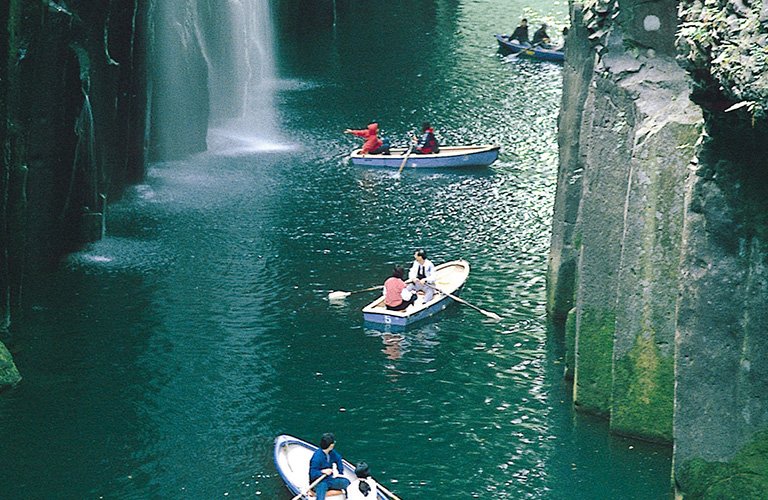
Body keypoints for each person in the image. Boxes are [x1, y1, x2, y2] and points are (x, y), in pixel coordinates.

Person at [309, 433, 351, 500]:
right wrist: (322, 471)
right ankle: (314, 493)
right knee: (321, 492)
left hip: (330, 479)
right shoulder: (316, 458)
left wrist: (340, 472)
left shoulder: (332, 452)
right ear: (331, 445)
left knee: (346, 482)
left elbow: (338, 459)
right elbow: (312, 474)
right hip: (319, 482)